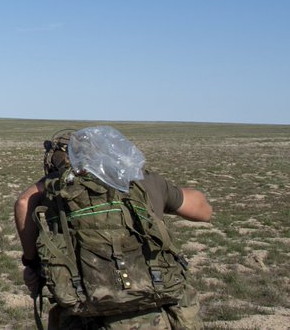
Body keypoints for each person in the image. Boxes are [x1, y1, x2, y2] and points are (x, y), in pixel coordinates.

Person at [14, 126, 213, 330]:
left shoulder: (58, 186)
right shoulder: (142, 181)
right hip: (156, 305)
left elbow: (23, 203)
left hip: (87, 311)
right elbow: (204, 211)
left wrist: (31, 264)